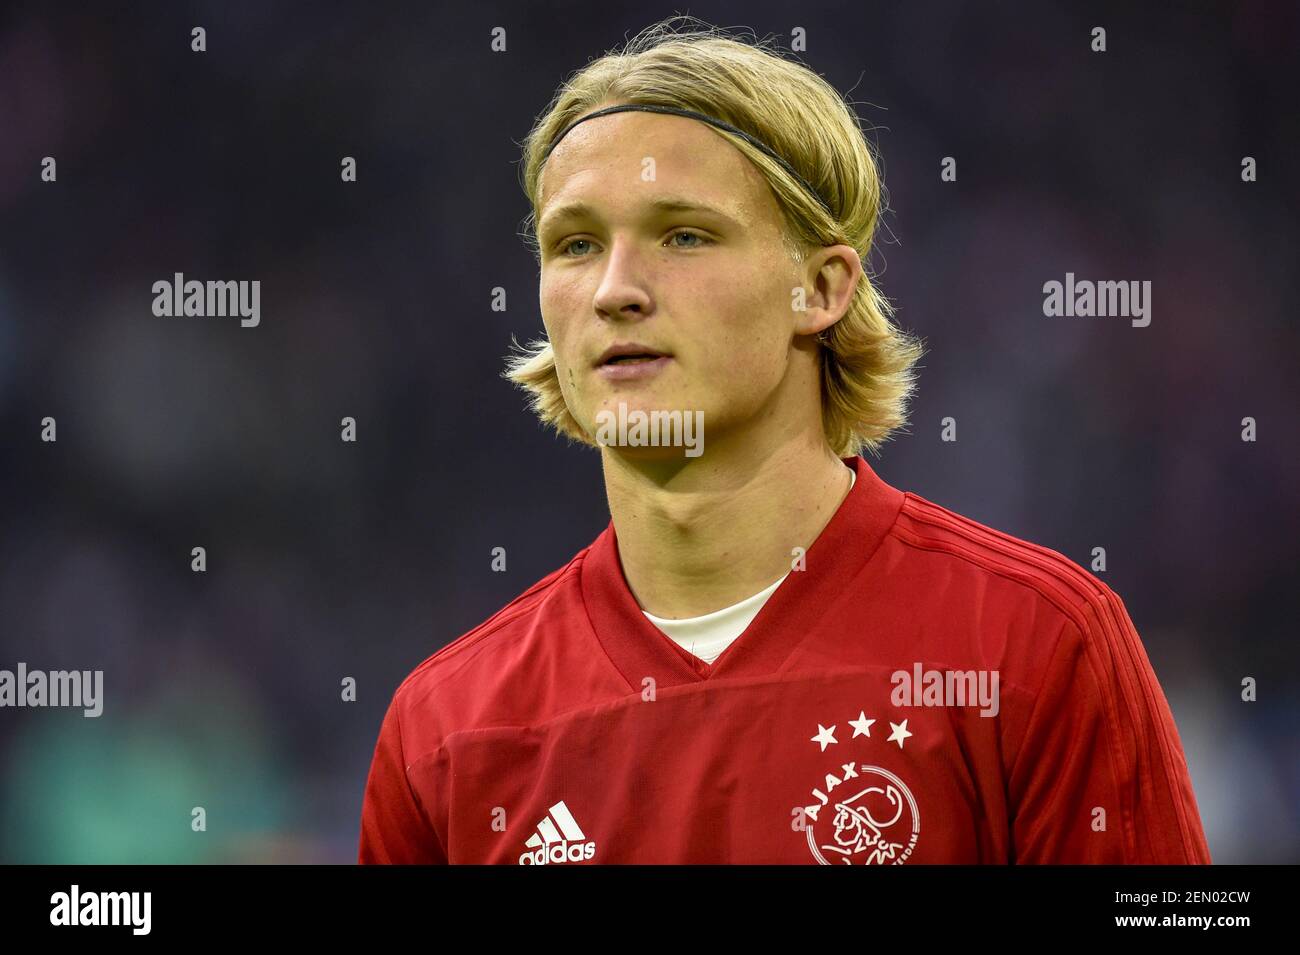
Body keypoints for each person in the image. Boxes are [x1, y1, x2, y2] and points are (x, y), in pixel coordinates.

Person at [358, 18, 1211, 864]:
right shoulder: (446, 730)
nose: (615, 289)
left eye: (683, 234)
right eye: (575, 244)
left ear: (821, 286)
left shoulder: (1036, 647)